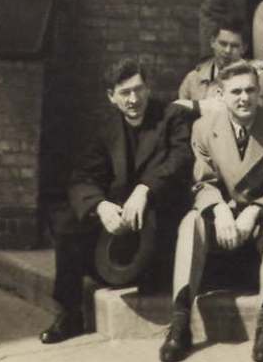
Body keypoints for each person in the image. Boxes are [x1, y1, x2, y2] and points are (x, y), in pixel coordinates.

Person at [41, 59, 192, 344]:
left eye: (138, 89)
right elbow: (83, 176)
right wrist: (100, 205)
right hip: (121, 226)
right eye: (125, 93)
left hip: (160, 221)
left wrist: (146, 189)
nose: (133, 99)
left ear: (148, 89)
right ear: (111, 96)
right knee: (67, 223)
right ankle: (70, 314)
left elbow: (181, 160)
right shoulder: (105, 128)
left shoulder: (172, 117)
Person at [161, 61, 263, 362]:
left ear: (259, 92)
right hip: (221, 222)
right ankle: (180, 322)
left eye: (250, 90)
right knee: (190, 222)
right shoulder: (203, 128)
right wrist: (220, 210)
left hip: (261, 221)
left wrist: (255, 211)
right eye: (236, 92)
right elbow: (203, 182)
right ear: (221, 95)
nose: (244, 98)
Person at [177, 23, 246, 102]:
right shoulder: (193, 79)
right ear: (212, 42)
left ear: (244, 48)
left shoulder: (254, 80)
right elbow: (181, 108)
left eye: (234, 46)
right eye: (223, 44)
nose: (227, 51)